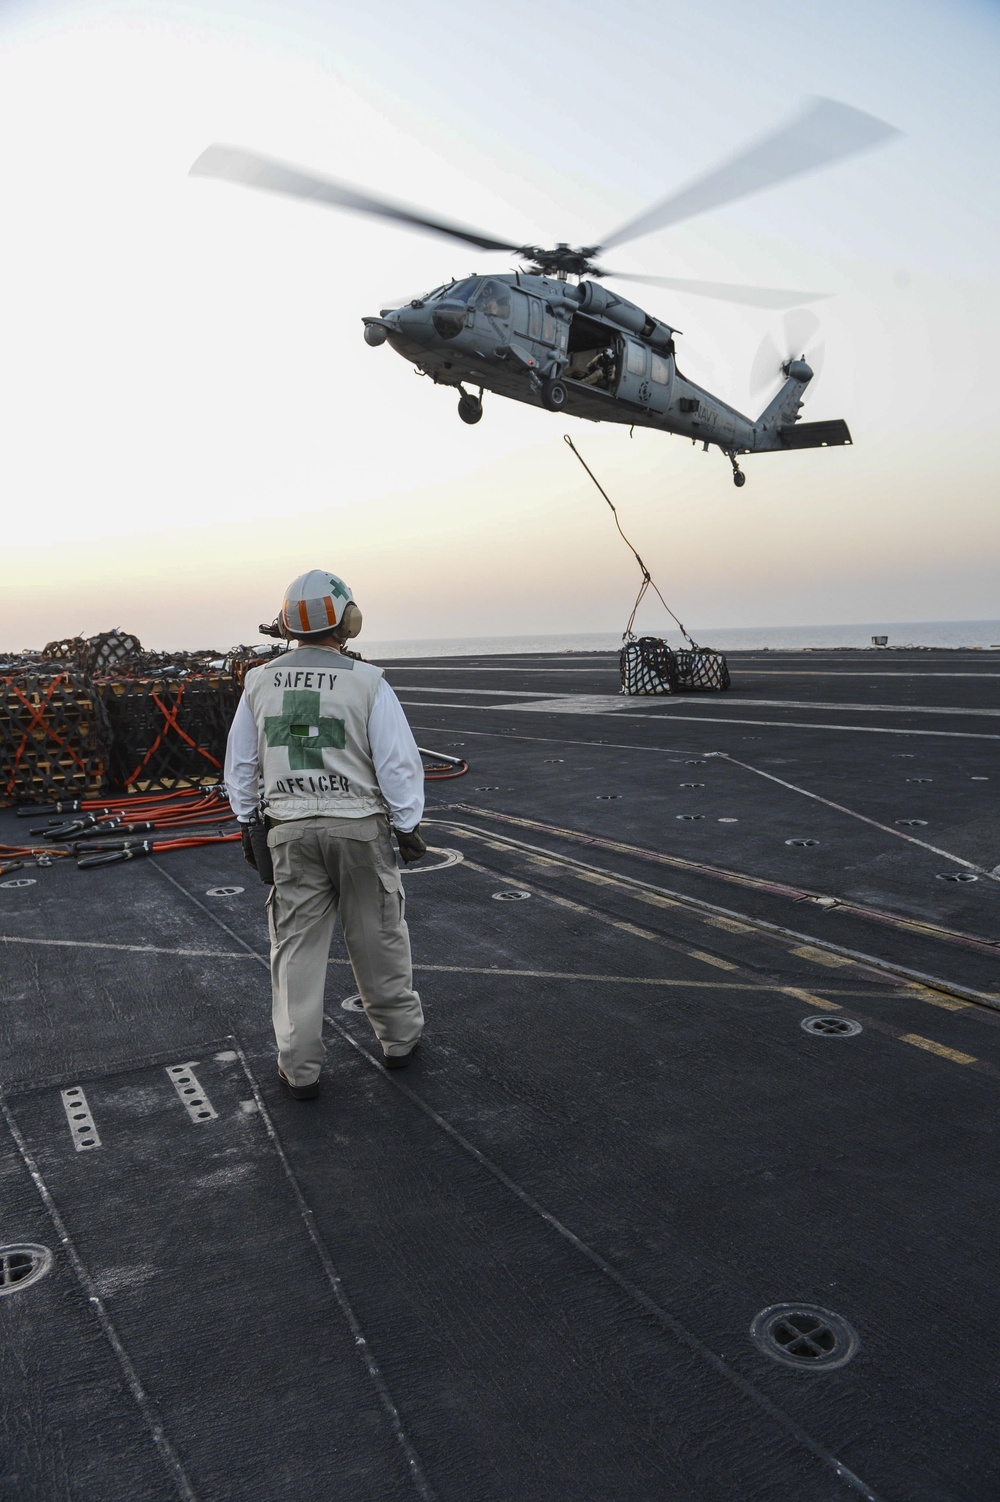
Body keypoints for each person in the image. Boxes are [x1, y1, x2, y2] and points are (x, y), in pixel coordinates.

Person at [224, 568, 427, 1100]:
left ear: (288, 624)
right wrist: (405, 825)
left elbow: (240, 764)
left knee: (295, 953)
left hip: (289, 833)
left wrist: (248, 821)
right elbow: (398, 763)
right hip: (359, 829)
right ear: (347, 620)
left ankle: (299, 1068)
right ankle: (400, 1042)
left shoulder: (257, 682)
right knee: (379, 938)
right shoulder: (368, 682)